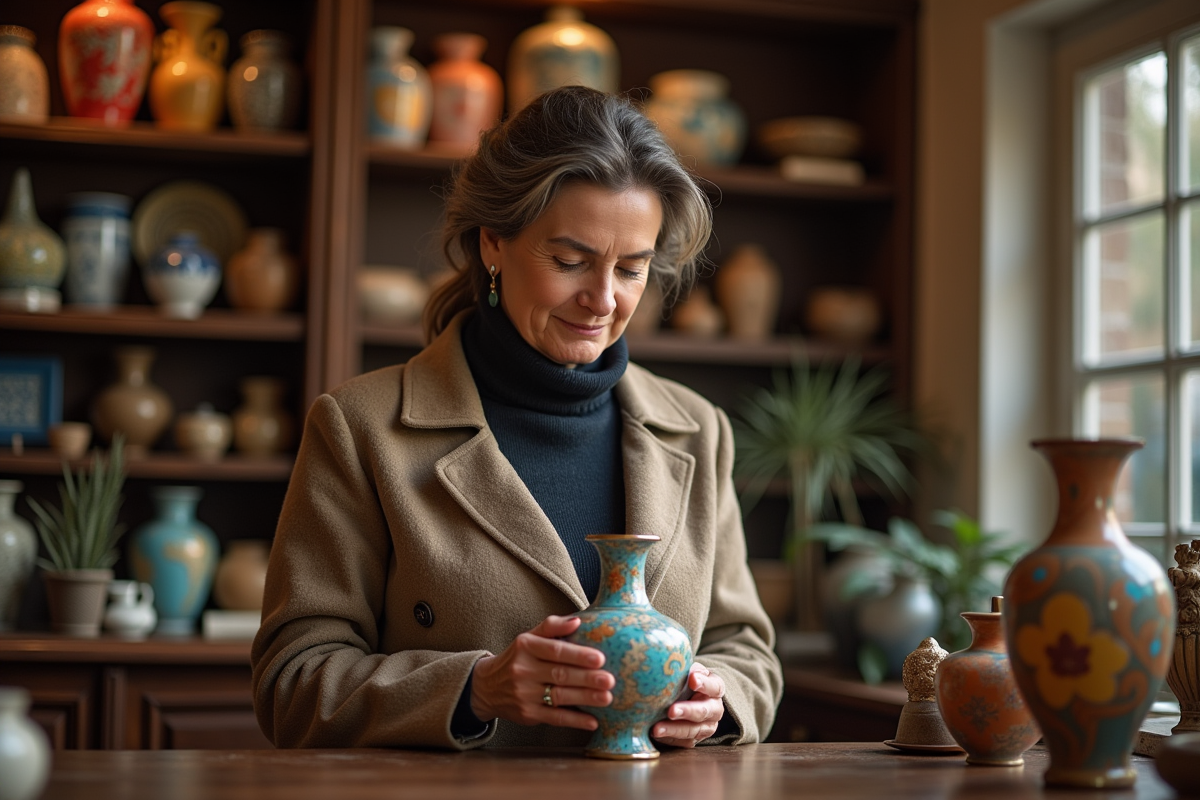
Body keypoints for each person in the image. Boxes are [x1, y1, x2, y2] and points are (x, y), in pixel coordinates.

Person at [251, 85, 783, 751]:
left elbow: (747, 650)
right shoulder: (361, 428)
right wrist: (475, 689)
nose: (602, 300)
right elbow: (292, 681)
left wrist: (717, 701)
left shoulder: (700, 430)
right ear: (493, 245)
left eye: (633, 270)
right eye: (570, 261)